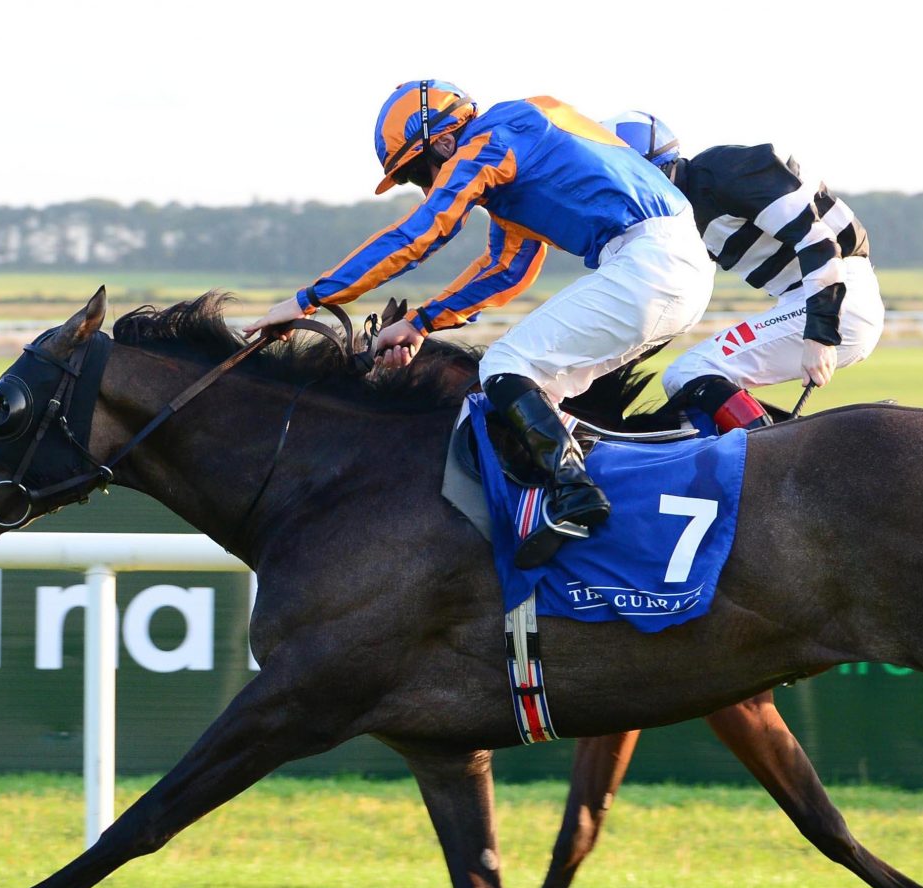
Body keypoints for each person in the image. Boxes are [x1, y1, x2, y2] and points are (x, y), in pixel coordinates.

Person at [244, 81, 714, 567]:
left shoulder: (496, 138)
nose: (428, 187)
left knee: (506, 365)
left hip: (649, 263)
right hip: (671, 266)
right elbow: (506, 269)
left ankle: (576, 495)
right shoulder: (522, 141)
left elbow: (421, 233)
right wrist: (420, 322)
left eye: (418, 173)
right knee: (535, 394)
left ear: (445, 141)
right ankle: (566, 506)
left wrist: (307, 299)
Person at [602, 111, 884, 434]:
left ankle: (769, 468)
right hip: (811, 298)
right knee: (692, 385)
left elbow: (819, 242)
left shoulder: (724, 171)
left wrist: (820, 334)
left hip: (838, 296)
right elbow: (672, 304)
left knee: (690, 371)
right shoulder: (683, 215)